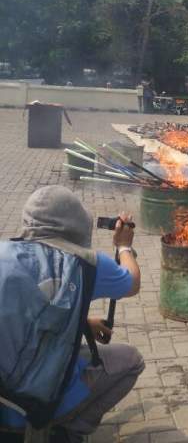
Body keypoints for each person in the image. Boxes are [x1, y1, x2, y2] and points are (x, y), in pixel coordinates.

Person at [0, 186, 144, 442]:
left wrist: (83, 321)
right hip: (34, 403)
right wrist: (124, 247)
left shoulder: (4, 255)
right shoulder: (87, 264)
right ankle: (70, 430)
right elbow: (131, 282)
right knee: (132, 361)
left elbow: (24, 313)